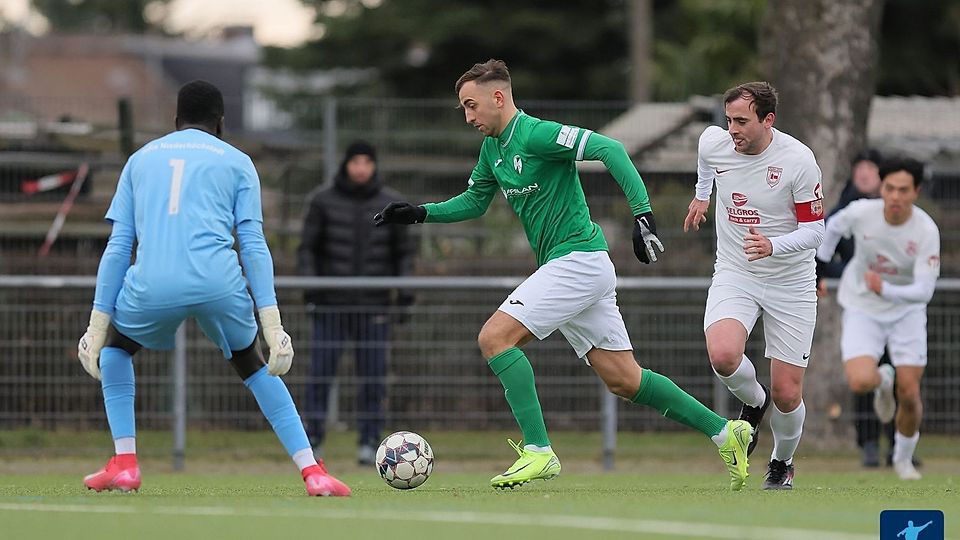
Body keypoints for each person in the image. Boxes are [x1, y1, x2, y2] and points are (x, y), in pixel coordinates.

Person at [374, 59, 754, 491]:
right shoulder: (492, 150)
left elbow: (610, 149)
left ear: (498, 98)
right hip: (572, 267)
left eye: (471, 105)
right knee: (625, 380)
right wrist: (419, 214)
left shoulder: (536, 134)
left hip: (577, 260)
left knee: (494, 338)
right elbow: (474, 202)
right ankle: (726, 432)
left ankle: (538, 450)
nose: (469, 117)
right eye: (464, 109)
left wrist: (643, 214)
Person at [76, 80, 350, 496]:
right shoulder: (238, 162)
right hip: (218, 283)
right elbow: (254, 245)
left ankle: (126, 464)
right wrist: (272, 324)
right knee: (254, 364)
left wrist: (97, 323)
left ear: (175, 121)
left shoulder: (140, 159)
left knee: (115, 350)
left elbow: (118, 247)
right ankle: (313, 471)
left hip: (153, 282)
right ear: (221, 123)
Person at [683, 82, 825, 490]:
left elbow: (816, 231)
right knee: (724, 355)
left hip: (791, 281)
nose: (732, 130)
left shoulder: (799, 161)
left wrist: (773, 245)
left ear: (768, 120)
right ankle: (754, 401)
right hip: (736, 271)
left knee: (787, 392)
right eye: (729, 120)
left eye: (742, 121)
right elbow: (705, 155)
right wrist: (702, 195)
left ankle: (782, 463)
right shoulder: (716, 141)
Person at [815, 157, 938, 481]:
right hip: (862, 306)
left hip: (906, 313)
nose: (895, 196)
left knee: (910, 394)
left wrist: (886, 288)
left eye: (903, 190)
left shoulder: (926, 231)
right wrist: (819, 268)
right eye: (890, 189)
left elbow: (923, 291)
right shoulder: (860, 212)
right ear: (881, 189)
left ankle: (903, 459)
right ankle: (884, 381)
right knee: (860, 382)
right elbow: (830, 228)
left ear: (916, 191)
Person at [297, 140, 415, 465]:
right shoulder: (322, 201)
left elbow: (404, 253)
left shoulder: (391, 203)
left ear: (374, 165)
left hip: (374, 307)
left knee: (373, 378)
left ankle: (369, 443)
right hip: (330, 307)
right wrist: (311, 290)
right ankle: (313, 441)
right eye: (356, 161)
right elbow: (307, 248)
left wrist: (404, 295)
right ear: (346, 164)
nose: (361, 168)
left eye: (367, 161)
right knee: (320, 376)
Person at [819, 149, 903, 468]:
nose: (865, 174)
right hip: (860, 308)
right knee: (862, 375)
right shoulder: (844, 214)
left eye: (871, 168)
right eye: (860, 169)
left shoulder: (898, 213)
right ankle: (867, 443)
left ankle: (899, 444)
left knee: (899, 374)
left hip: (896, 309)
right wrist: (853, 272)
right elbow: (824, 256)